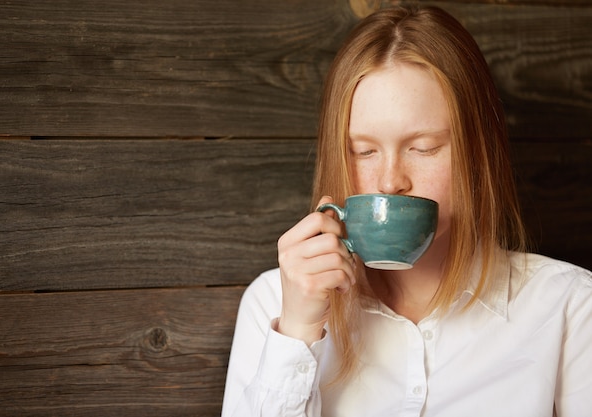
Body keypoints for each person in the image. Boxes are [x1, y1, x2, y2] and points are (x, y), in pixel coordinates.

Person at [221, 5, 592, 417]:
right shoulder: (273, 306)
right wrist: (298, 334)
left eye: (424, 148)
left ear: (478, 153)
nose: (389, 180)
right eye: (363, 151)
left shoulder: (571, 307)